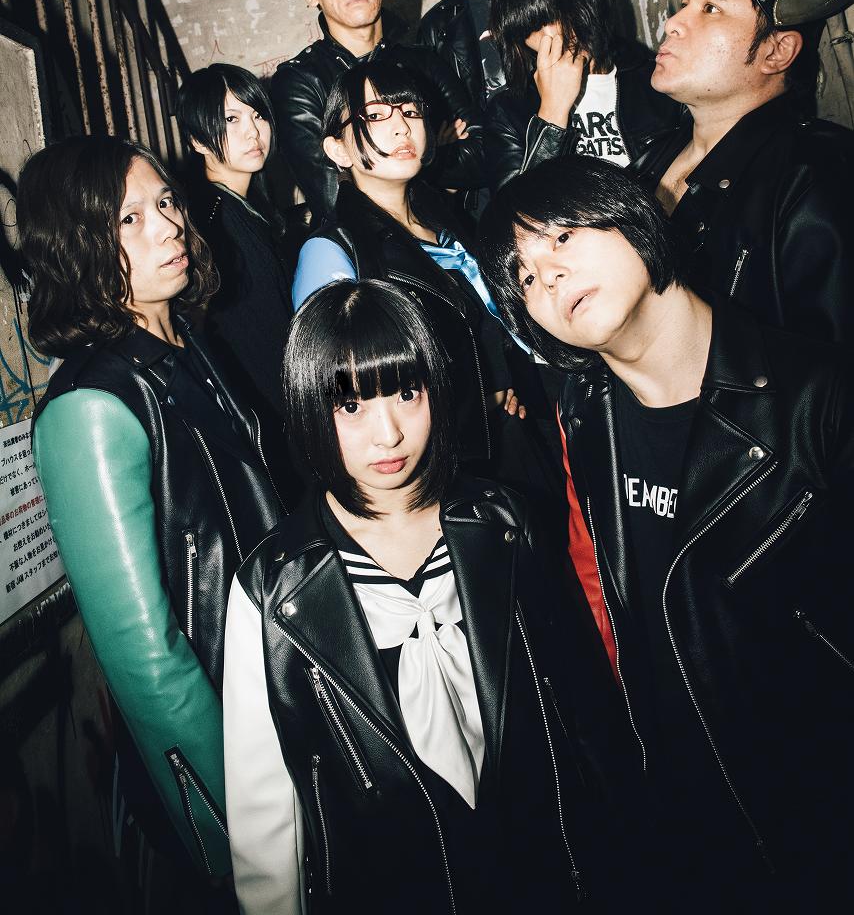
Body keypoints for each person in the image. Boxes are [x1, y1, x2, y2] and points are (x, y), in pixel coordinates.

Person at [477, 155, 854, 911]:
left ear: (633, 216)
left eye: (562, 235)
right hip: (682, 829)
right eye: (523, 276)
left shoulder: (820, 404)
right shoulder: (586, 417)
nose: (546, 275)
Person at [223, 279, 636, 914]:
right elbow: (265, 817)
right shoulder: (276, 590)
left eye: (406, 394)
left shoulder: (502, 523)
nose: (387, 434)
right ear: (308, 409)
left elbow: (582, 708)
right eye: (351, 406)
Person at [19, 135, 285, 890]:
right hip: (239, 761)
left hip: (285, 704)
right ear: (76, 246)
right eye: (128, 218)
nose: (168, 226)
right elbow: (149, 664)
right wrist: (246, 827)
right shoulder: (90, 407)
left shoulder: (188, 347)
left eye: (165, 202)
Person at [291, 56, 561, 514]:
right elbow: (339, 401)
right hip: (437, 468)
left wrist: (499, 385)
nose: (401, 127)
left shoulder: (439, 217)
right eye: (376, 115)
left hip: (509, 432)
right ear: (337, 150)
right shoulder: (333, 250)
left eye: (411, 111)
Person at [632, 0, 854, 344]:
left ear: (776, 52)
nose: (673, 23)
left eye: (710, 8)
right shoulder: (649, 159)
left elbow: (831, 371)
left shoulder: (819, 178)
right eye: (685, 5)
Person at [270, 0, 484, 221]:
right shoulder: (300, 82)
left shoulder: (423, 62)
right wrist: (430, 150)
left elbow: (481, 156)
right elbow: (333, 197)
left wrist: (402, 162)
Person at [486, 0, 680, 192]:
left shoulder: (656, 79)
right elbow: (518, 216)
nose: (552, 35)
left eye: (557, 13)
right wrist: (552, 115)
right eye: (531, 27)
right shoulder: (508, 114)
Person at [175, 63, 294, 487]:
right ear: (197, 140)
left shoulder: (243, 207)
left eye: (258, 115)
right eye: (231, 119)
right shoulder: (214, 221)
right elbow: (255, 337)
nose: (252, 131)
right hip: (275, 424)